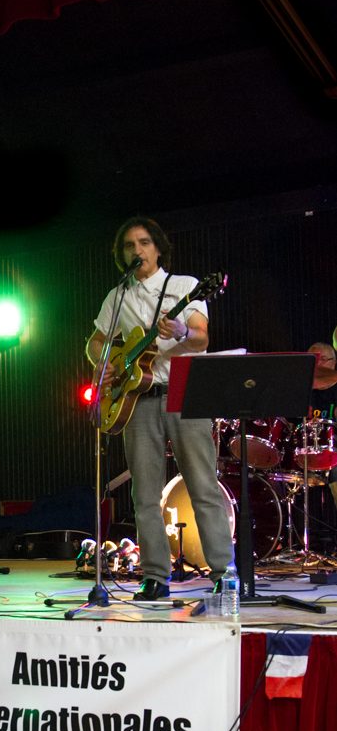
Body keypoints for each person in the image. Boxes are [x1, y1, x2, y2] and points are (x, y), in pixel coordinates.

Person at [86, 216, 233, 600]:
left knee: (202, 486)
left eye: (144, 242)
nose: (137, 250)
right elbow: (96, 341)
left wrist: (182, 331)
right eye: (129, 245)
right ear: (122, 255)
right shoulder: (118, 296)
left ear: (158, 248)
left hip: (185, 394)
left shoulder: (185, 286)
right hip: (138, 398)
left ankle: (224, 573)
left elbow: (200, 339)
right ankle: (155, 577)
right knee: (144, 495)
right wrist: (107, 362)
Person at [306, 342, 337, 510]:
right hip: (301, 450)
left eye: (323, 359)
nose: (318, 364)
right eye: (314, 359)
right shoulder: (297, 390)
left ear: (334, 363)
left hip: (332, 449)